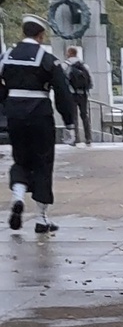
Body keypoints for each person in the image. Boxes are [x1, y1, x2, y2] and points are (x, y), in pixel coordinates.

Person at [1, 15, 75, 233]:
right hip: (40, 115)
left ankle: (18, 196)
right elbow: (62, 93)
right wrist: (69, 122)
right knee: (43, 162)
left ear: (23, 32)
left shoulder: (6, 57)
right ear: (41, 35)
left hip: (14, 114)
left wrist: (7, 101)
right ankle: (42, 218)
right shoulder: (47, 59)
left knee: (20, 159)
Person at [64, 46, 94, 144]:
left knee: (74, 116)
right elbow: (91, 80)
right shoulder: (84, 65)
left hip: (72, 94)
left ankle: (76, 138)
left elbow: (63, 79)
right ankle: (88, 137)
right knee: (84, 115)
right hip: (83, 94)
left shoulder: (66, 64)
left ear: (69, 53)